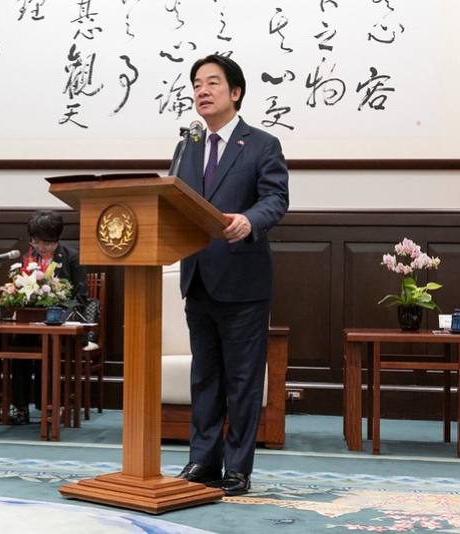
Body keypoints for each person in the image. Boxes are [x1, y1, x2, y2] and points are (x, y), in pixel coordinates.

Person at [172, 55, 289, 496]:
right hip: (198, 276)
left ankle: (237, 468)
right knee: (205, 376)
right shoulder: (187, 146)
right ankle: (202, 460)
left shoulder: (261, 144)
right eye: (197, 84)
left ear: (235, 92)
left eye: (212, 83)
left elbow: (276, 199)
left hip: (243, 281)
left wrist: (249, 220)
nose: (202, 91)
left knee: (241, 380)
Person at [10, 210, 87, 425]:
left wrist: (56, 305)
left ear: (57, 239)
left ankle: (51, 406)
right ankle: (20, 407)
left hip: (63, 325)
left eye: (46, 243)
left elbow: (80, 298)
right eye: (36, 242)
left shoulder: (72, 258)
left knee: (50, 346)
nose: (41, 248)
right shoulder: (27, 258)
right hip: (32, 326)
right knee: (18, 345)